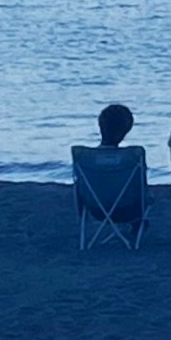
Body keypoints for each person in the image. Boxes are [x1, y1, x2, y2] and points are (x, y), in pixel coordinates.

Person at [71, 103, 148, 243]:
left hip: (95, 209)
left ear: (100, 127)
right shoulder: (133, 156)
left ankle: (83, 229)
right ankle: (137, 224)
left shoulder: (84, 157)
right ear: (126, 130)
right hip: (129, 209)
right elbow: (141, 189)